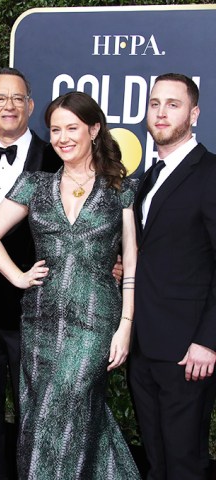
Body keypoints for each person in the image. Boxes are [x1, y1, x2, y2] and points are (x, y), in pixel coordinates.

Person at [0, 67, 125, 479]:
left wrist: (116, 276)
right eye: (0, 98)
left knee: (58, 409)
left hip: (70, 314)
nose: (9, 106)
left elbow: (113, 238)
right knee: (2, 413)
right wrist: (14, 275)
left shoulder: (71, 161)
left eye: (18, 98)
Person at [129, 73, 216, 480]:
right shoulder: (149, 175)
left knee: (184, 461)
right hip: (145, 343)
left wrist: (207, 341)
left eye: (173, 104)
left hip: (187, 350)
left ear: (194, 114)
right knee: (157, 458)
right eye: (154, 103)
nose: (161, 113)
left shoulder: (210, 173)